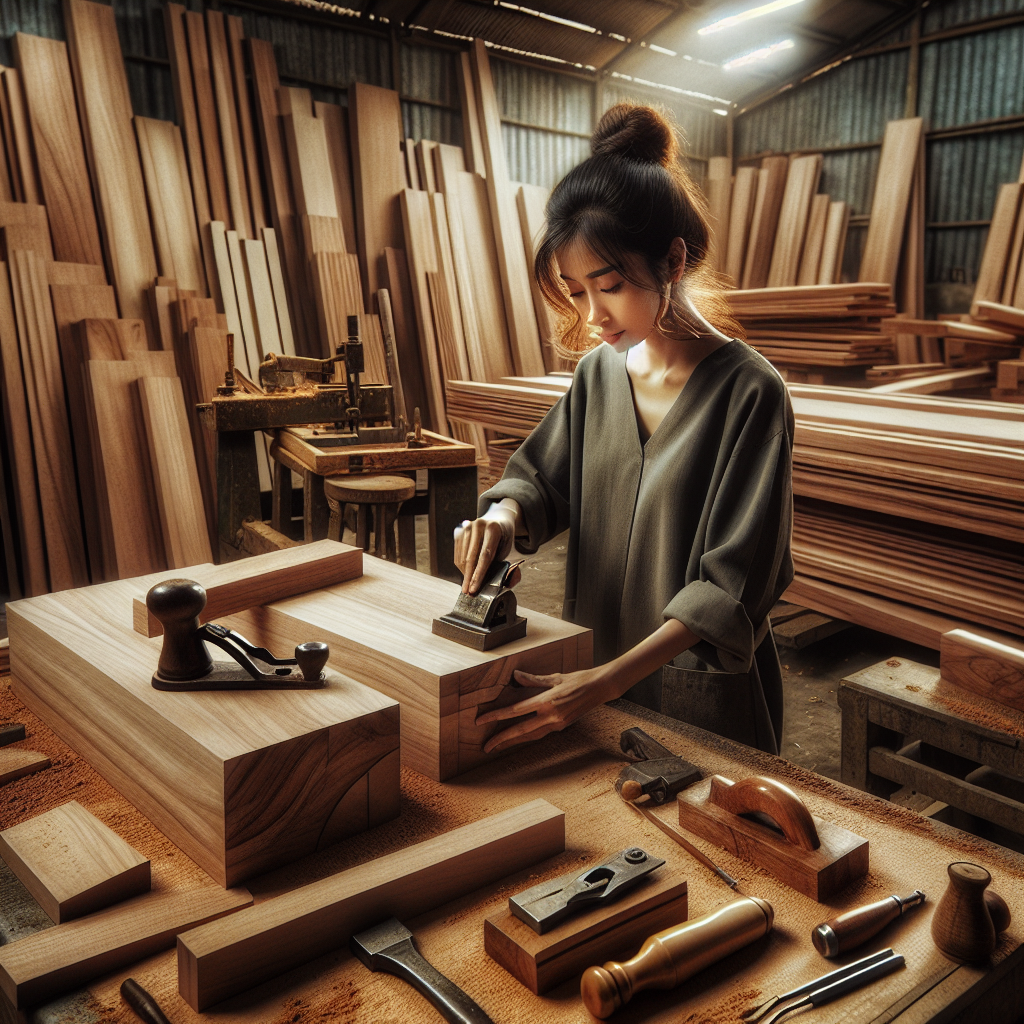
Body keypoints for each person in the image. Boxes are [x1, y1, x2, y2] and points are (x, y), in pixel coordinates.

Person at [455, 103, 794, 758]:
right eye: (575, 292)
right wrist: (497, 518)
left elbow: (730, 593)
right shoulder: (597, 377)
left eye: (606, 286)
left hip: (699, 709)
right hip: (587, 692)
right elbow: (535, 481)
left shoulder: (751, 393)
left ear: (671, 259)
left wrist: (597, 686)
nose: (591, 316)